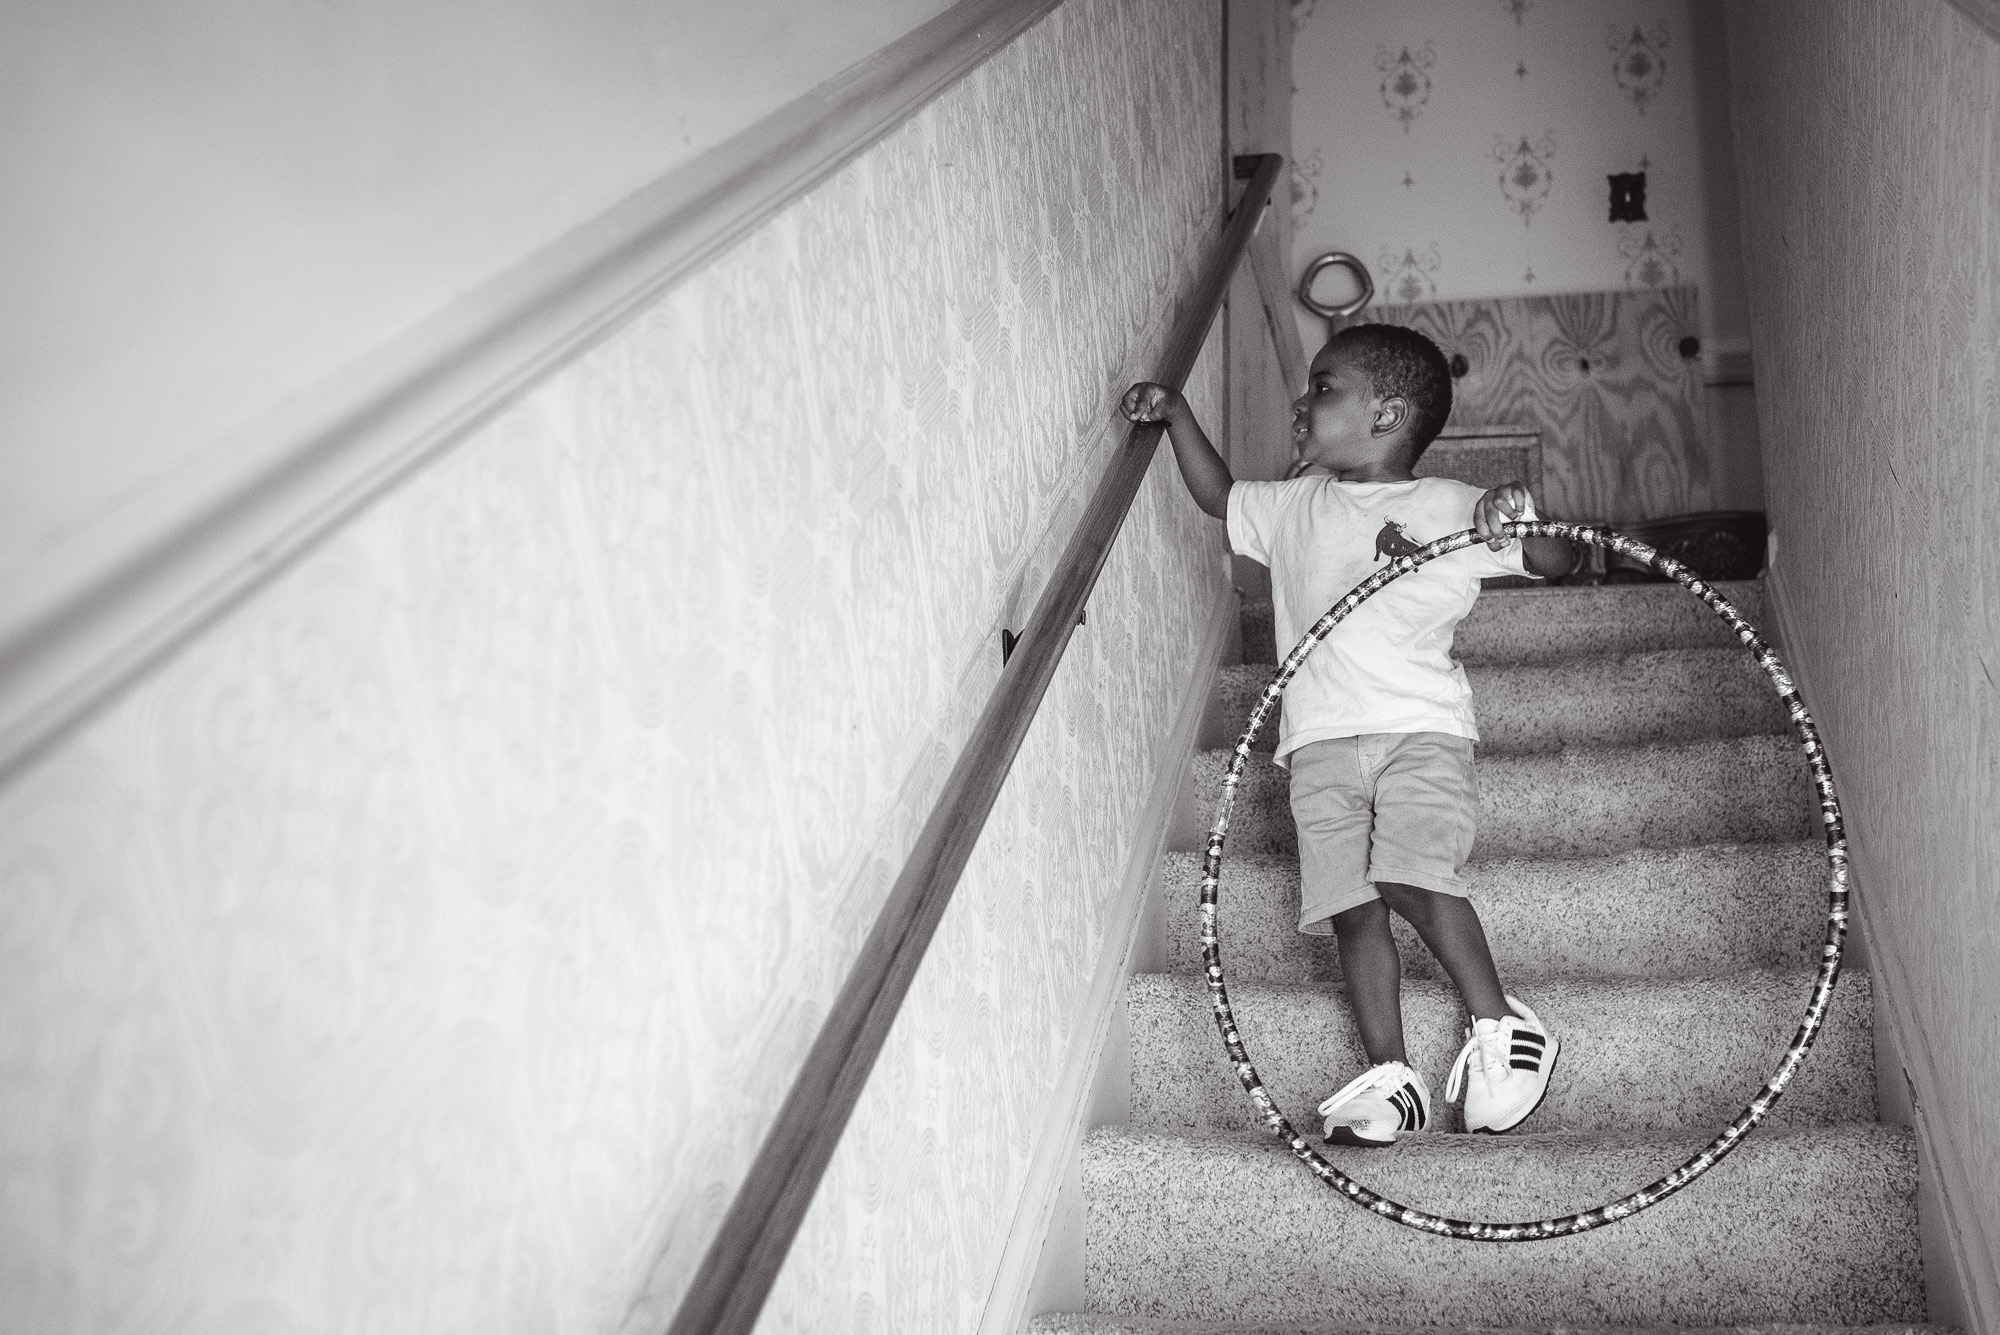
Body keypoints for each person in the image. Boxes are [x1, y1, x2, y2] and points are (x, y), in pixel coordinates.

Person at [1122, 322, 1576, 1146]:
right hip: (1317, 745)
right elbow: (1220, 495)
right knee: (1351, 906)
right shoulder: (1293, 506)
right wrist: (1179, 417)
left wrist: (1516, 515)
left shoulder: (1445, 503)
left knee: (1407, 874)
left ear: (1388, 413)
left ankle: (1502, 1027)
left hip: (1418, 732)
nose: (1303, 401)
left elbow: (1555, 561)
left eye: (1324, 386)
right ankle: (1391, 1075)